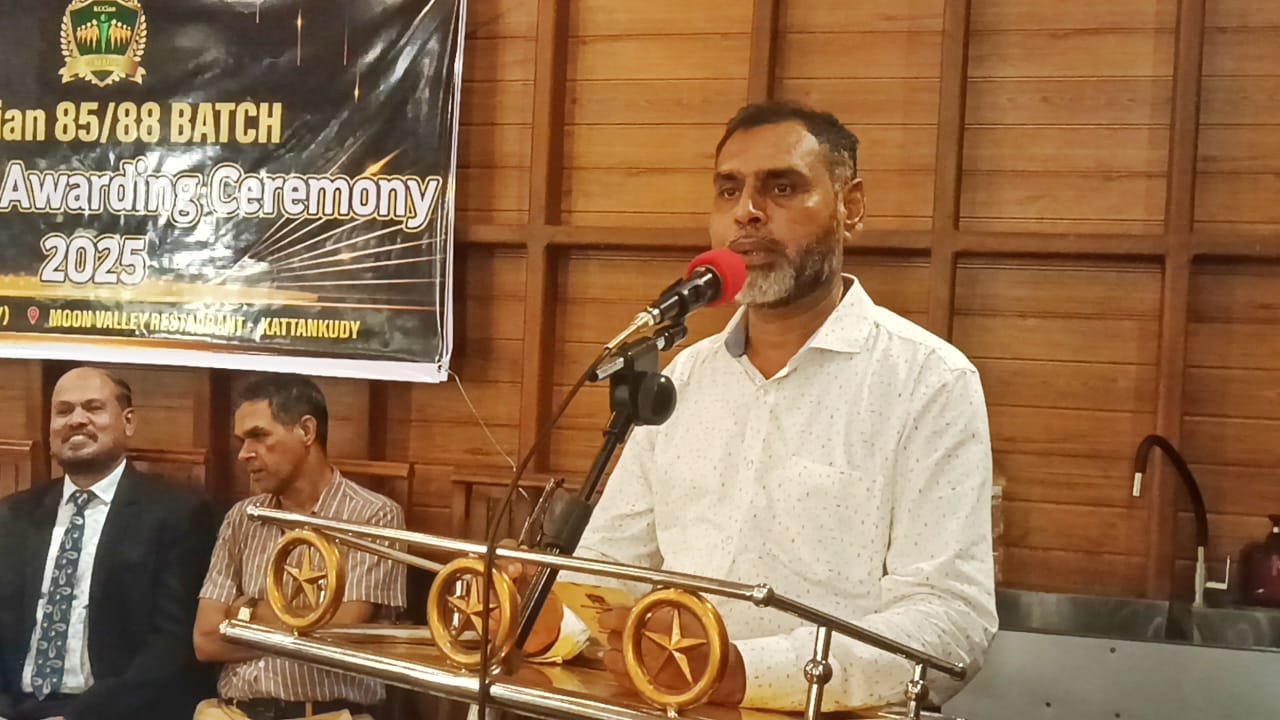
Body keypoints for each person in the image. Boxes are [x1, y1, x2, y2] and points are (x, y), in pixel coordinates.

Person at [544, 102, 998, 711]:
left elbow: (950, 619)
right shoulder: (684, 377)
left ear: (851, 207)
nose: (747, 211)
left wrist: (744, 672)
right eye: (729, 190)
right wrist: (549, 623)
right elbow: (610, 570)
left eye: (781, 188)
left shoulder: (927, 381)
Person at [0, 367, 217, 720]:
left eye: (93, 408)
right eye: (63, 411)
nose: (76, 420)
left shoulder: (177, 514)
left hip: (114, 711)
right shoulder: (12, 515)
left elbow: (170, 646)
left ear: (128, 421)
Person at [192, 374, 405, 720]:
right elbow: (205, 639)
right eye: (242, 441)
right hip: (232, 712)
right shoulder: (242, 517)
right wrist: (306, 623)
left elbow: (341, 633)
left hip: (324, 714)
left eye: (259, 436)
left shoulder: (373, 515)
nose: (244, 454)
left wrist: (247, 612)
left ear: (306, 431)